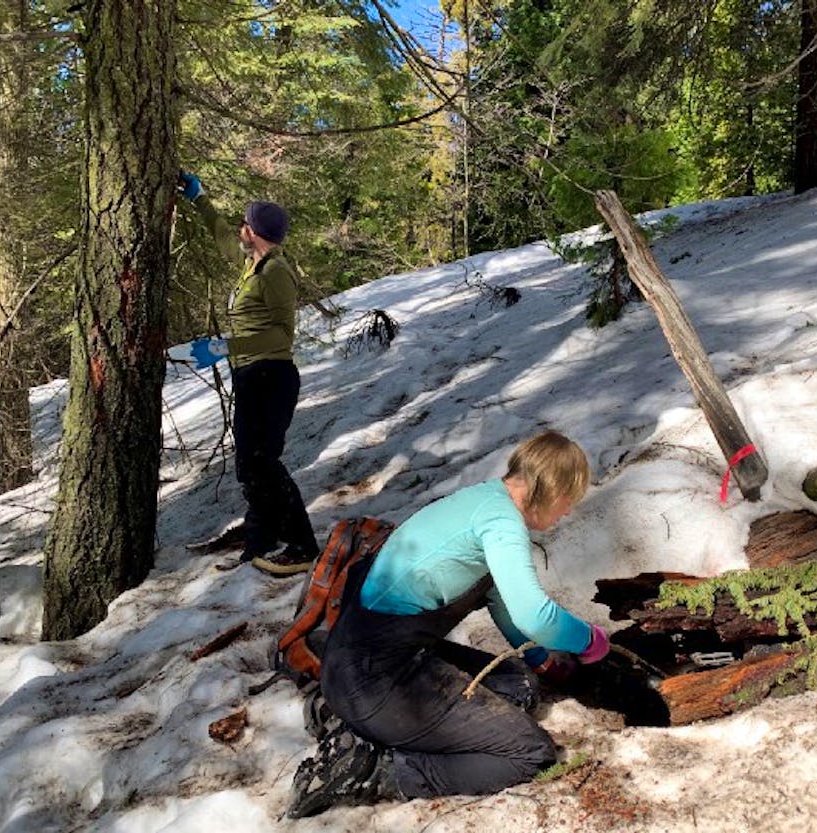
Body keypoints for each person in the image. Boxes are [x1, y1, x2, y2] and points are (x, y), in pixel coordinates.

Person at [287, 430, 611, 818]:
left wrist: (542, 660)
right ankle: (377, 769)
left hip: (371, 659)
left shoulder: (482, 501)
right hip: (374, 682)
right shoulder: (502, 524)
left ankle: (370, 727)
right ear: (554, 491)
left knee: (519, 686)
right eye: (567, 503)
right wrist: (589, 641)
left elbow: (506, 609)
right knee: (528, 752)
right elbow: (532, 614)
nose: (566, 514)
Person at [178, 172, 320, 575]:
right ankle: (259, 544)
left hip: (271, 377)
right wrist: (199, 198)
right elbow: (224, 239)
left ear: (255, 233)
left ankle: (303, 546)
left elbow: (281, 333)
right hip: (249, 375)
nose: (239, 230)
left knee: (265, 462)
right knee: (249, 464)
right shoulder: (251, 263)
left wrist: (226, 347)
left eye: (245, 224)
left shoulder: (275, 273)